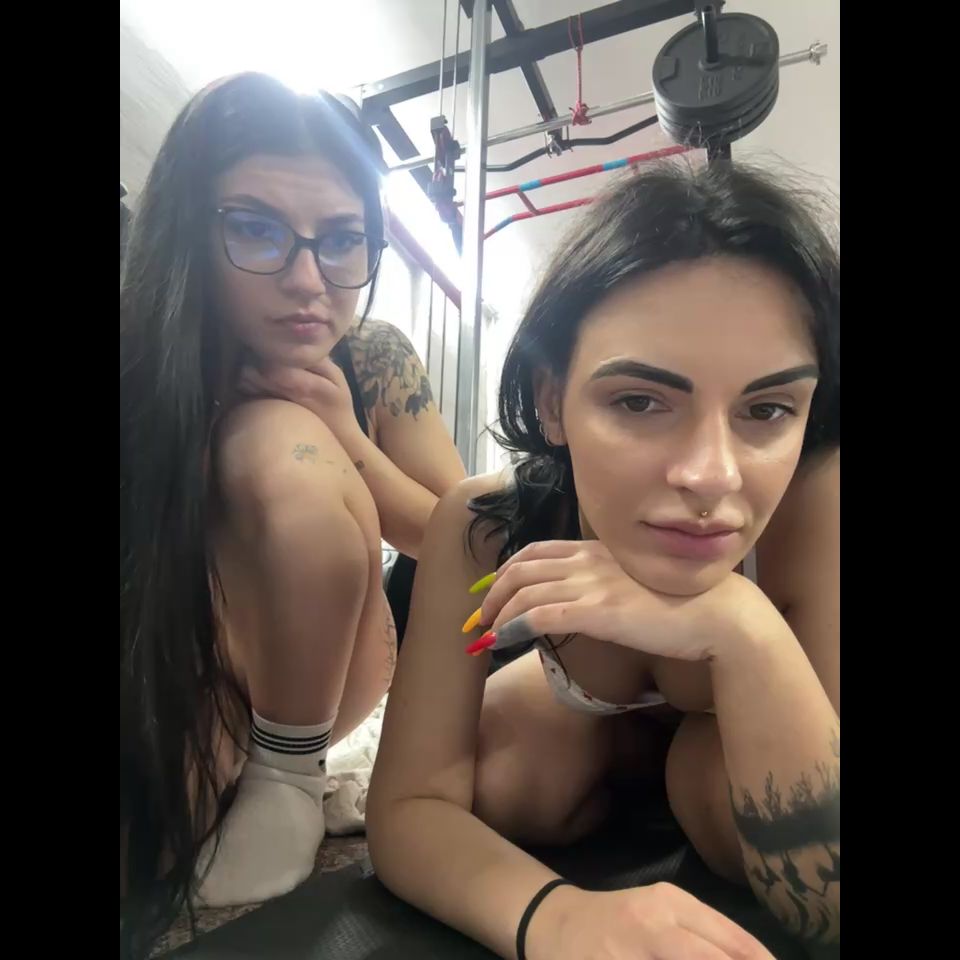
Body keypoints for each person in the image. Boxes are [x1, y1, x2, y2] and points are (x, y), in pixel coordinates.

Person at [365, 161, 840, 960]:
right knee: (512, 783)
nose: (711, 476)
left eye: (766, 409)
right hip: (586, 741)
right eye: (640, 401)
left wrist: (744, 629)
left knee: (716, 792)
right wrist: (555, 918)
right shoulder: (486, 526)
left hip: (725, 752)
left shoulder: (819, 507)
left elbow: (830, 911)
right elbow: (408, 805)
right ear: (552, 400)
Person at [119, 72, 464, 957]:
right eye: (258, 229)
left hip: (321, 663)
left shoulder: (377, 358)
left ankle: (286, 777)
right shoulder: (149, 351)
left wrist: (347, 439)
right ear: (192, 231)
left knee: (281, 442)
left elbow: (461, 540)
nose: (309, 280)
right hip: (181, 638)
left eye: (343, 240)